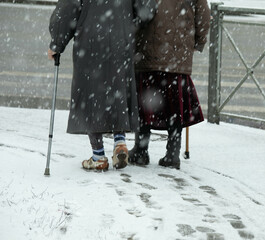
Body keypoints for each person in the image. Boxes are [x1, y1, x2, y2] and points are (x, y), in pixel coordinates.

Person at [47, 0, 156, 171]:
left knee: (91, 94)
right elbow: (147, 9)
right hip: (121, 38)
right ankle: (119, 141)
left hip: (90, 40)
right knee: (118, 88)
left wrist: (57, 43)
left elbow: (67, 10)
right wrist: (129, 24)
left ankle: (98, 155)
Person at [129, 0, 211, 169]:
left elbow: (134, 10)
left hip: (147, 49)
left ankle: (141, 150)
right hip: (177, 54)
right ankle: (173, 153)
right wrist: (198, 41)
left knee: (145, 104)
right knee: (175, 107)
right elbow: (203, 15)